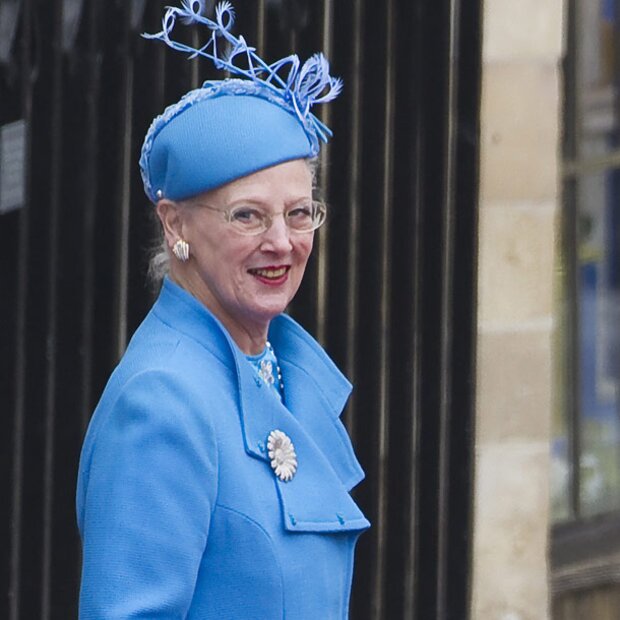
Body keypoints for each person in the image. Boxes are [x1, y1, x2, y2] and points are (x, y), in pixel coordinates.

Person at [76, 2, 369, 618]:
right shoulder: (161, 400)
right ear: (174, 223)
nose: (282, 242)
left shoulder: (276, 367)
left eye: (298, 213)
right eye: (248, 215)